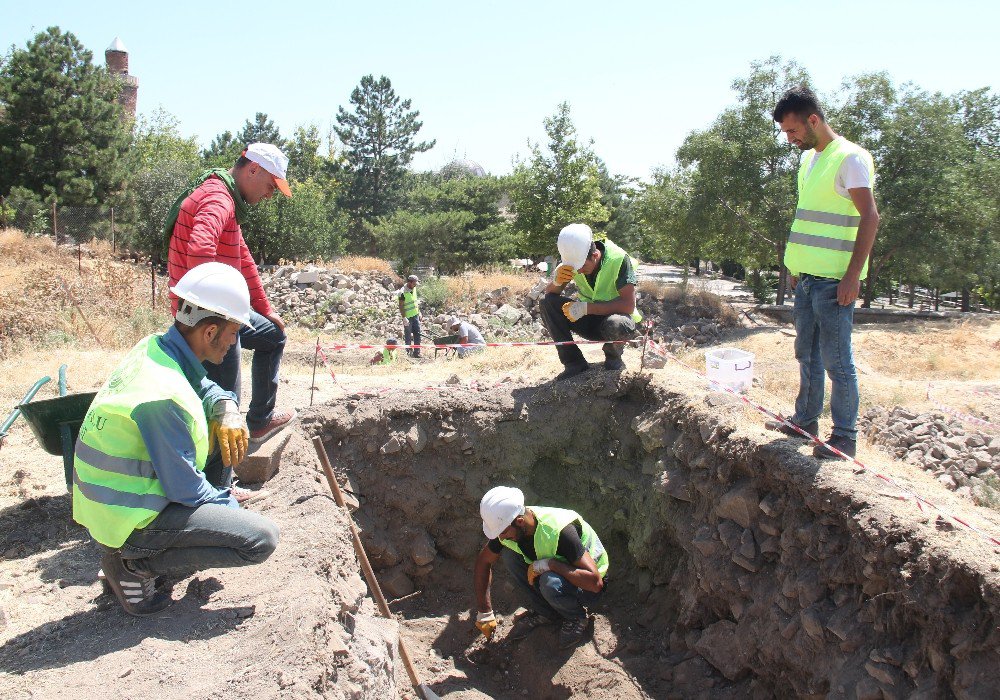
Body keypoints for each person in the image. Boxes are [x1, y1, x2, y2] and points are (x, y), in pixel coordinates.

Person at [73, 263, 280, 617]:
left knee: (220, 445)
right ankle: (133, 565)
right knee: (258, 540)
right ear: (211, 330)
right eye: (233, 334)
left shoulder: (155, 347)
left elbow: (202, 384)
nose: (234, 343)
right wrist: (228, 512)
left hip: (110, 500)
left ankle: (141, 552)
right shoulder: (161, 397)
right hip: (127, 517)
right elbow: (187, 491)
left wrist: (225, 406)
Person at [166, 142, 297, 469]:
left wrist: (265, 309)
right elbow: (200, 247)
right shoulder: (217, 198)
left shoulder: (228, 201)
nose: (270, 195)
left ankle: (260, 420)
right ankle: (218, 484)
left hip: (217, 313)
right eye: (270, 186)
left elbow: (244, 260)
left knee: (273, 337)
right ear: (253, 169)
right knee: (224, 402)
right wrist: (217, 319)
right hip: (206, 320)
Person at [768, 86, 880, 460]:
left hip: (835, 281)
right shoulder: (809, 161)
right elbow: (811, 219)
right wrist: (797, 269)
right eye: (785, 133)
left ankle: (845, 437)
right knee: (807, 354)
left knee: (837, 360)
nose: (790, 138)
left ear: (813, 119)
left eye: (793, 130)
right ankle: (805, 421)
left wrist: (852, 277)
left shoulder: (850, 158)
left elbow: (870, 217)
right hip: (807, 278)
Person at [473, 486, 608, 649]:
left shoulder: (560, 532)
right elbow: (484, 562)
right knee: (510, 557)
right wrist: (485, 612)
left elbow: (595, 583)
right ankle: (546, 612)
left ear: (520, 521)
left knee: (549, 582)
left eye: (503, 532)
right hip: (563, 572)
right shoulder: (510, 527)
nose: (500, 537)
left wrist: (549, 565)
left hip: (588, 585)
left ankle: (576, 618)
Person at [539, 224, 642, 380]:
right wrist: (557, 281)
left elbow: (628, 305)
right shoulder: (573, 260)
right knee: (547, 303)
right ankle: (574, 363)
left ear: (595, 255)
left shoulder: (618, 259)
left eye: (582, 266)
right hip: (589, 321)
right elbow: (551, 295)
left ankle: (613, 359)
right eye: (576, 267)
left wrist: (586, 308)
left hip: (616, 323)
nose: (578, 271)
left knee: (616, 323)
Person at [399, 274, 422, 358]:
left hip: (415, 315)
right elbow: (401, 306)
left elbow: (415, 302)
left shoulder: (414, 288)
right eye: (414, 283)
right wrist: (404, 318)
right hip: (408, 317)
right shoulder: (402, 292)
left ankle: (417, 352)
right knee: (408, 335)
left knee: (418, 334)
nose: (415, 285)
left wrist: (419, 312)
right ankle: (408, 353)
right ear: (409, 282)